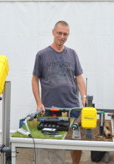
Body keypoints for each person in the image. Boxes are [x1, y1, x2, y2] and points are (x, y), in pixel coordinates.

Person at [32, 20, 87, 164]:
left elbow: (79, 77)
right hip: (50, 108)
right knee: (52, 142)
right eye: (59, 33)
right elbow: (34, 79)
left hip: (72, 107)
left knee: (76, 141)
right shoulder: (42, 55)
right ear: (53, 32)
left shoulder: (72, 54)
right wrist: (39, 103)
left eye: (65, 34)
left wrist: (84, 96)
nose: (62, 37)